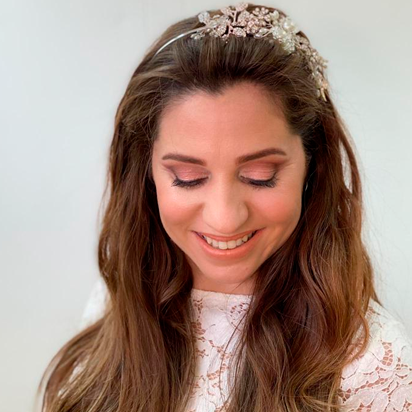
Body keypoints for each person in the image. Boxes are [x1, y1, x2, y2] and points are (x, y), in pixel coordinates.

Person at [37, 3, 412, 412]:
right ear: (146, 174)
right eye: (188, 178)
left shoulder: (374, 367)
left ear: (312, 165)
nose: (224, 217)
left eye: (260, 176)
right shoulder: (119, 298)